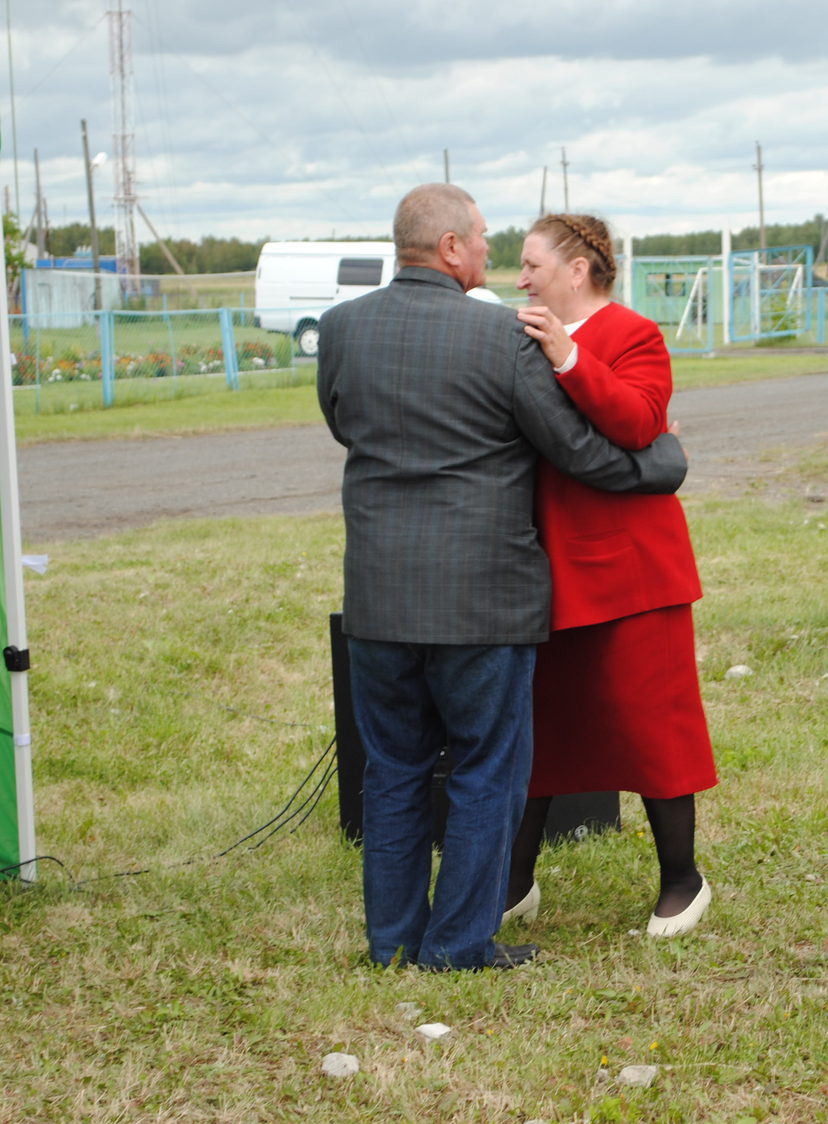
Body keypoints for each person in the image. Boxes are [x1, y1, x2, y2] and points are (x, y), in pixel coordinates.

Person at [317, 184, 688, 972]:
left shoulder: (343, 329)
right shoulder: (501, 338)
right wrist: (663, 460)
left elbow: (344, 422)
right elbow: (575, 451)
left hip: (378, 597)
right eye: (484, 240)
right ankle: (457, 942)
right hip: (482, 600)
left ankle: (390, 943)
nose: (493, 256)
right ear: (450, 248)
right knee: (488, 769)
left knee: (394, 772)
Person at [502, 213, 717, 937]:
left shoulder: (632, 334)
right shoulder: (522, 337)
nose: (520, 278)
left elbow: (636, 420)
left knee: (654, 727)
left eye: (531, 264)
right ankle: (513, 880)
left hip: (633, 572)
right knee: (542, 730)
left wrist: (569, 358)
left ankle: (682, 880)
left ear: (576, 270)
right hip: (550, 567)